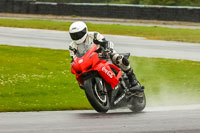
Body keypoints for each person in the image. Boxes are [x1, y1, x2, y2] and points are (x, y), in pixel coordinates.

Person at [69, 21, 142, 91]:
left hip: (103, 54)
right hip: (88, 61)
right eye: (74, 35)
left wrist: (107, 50)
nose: (76, 37)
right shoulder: (72, 46)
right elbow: (74, 59)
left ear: (84, 31)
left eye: (78, 34)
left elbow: (106, 42)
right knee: (81, 83)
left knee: (118, 59)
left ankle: (133, 80)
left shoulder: (94, 35)